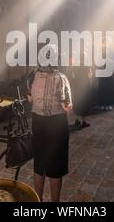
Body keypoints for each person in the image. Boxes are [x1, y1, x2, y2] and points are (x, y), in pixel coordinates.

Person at [27, 44, 72, 202]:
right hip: (57, 124)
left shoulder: (32, 75)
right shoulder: (62, 78)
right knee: (56, 166)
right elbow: (67, 106)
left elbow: (29, 98)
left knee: (39, 163)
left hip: (38, 122)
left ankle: (37, 200)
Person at [65, 53, 91, 130]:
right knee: (84, 103)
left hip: (76, 85)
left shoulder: (75, 66)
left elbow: (72, 75)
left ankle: (77, 120)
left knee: (77, 102)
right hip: (84, 86)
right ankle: (83, 122)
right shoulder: (86, 65)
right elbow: (89, 75)